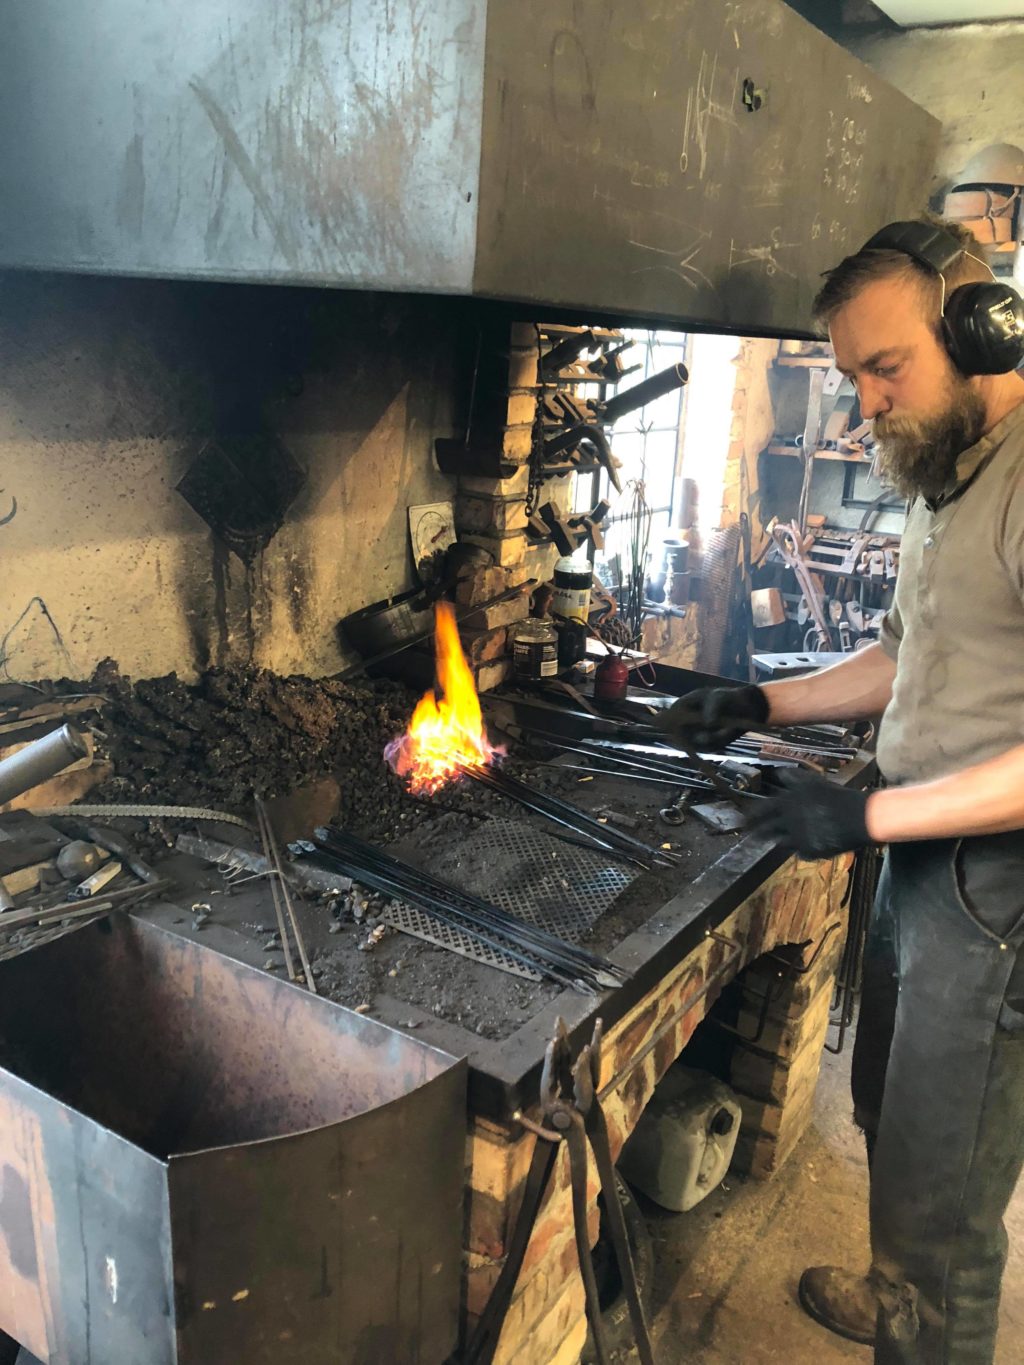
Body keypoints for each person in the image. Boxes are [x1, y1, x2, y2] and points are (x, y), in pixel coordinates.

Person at [662, 217, 1024, 1364]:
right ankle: (892, 1285)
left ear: (980, 332)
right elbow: (904, 657)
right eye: (851, 374)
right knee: (890, 1117)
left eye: (886, 367)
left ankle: (920, 1312)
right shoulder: (942, 468)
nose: (865, 402)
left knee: (947, 1203)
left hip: (997, 893)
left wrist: (863, 814)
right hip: (924, 855)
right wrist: (761, 705)